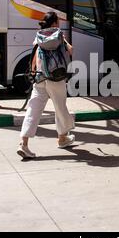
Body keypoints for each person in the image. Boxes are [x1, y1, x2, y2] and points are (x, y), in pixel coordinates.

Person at [17, 12, 76, 159]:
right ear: (55, 23)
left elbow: (34, 55)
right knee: (60, 108)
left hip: (40, 78)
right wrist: (65, 42)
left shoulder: (39, 36)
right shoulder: (59, 35)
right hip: (56, 78)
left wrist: (33, 73)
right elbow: (71, 50)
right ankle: (62, 138)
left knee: (33, 110)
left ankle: (23, 144)